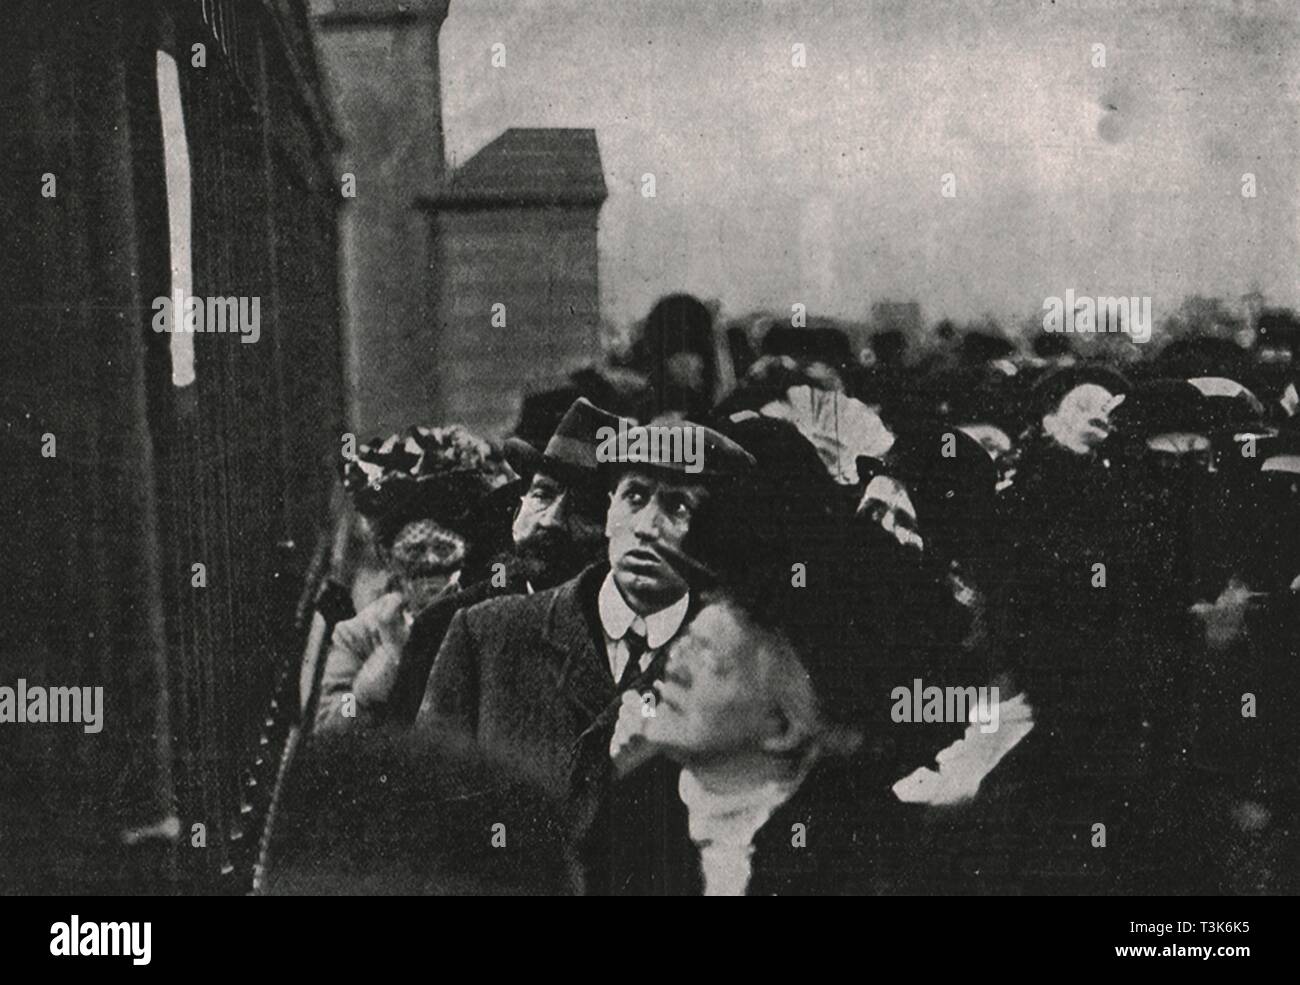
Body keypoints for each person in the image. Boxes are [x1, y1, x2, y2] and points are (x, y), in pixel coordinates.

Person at [412, 416, 754, 800]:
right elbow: (431, 813)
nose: (646, 527)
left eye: (677, 506)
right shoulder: (486, 637)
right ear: (610, 512)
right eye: (635, 497)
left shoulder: (738, 663)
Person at [377, 398, 618, 728]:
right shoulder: (446, 624)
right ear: (517, 509)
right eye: (543, 494)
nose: (551, 521)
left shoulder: (627, 634)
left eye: (583, 509)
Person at [312, 425, 510, 735]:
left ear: (465, 550)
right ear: (390, 559)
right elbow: (327, 728)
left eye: (444, 549)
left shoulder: (488, 617)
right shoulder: (359, 634)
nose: (430, 563)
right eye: (415, 551)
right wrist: (363, 693)